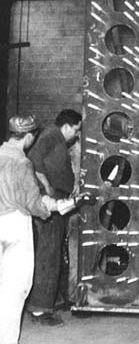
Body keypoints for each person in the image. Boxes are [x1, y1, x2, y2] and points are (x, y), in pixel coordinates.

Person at [0, 115, 62, 341]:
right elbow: (33, 204)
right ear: (29, 136)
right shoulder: (22, 163)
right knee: (14, 290)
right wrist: (49, 209)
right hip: (16, 225)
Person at [26, 109, 81, 325]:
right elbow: (33, 160)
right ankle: (40, 309)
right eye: (76, 130)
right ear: (67, 126)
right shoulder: (50, 135)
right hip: (49, 203)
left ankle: (49, 301)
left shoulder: (57, 139)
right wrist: (47, 185)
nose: (76, 135)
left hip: (58, 199)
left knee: (53, 251)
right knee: (48, 253)